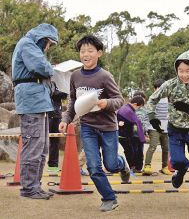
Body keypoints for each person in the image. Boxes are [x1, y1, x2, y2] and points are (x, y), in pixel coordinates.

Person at [59, 35, 130, 212]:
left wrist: (106, 103)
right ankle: (109, 198)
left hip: (107, 128)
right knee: (92, 166)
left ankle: (122, 165)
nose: (86, 54)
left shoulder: (105, 76)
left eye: (90, 50)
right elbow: (73, 103)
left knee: (111, 165)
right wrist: (65, 120)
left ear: (99, 53)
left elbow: (119, 100)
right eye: (83, 51)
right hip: (88, 127)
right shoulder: (75, 76)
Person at [146, 49, 189, 209]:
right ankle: (181, 171)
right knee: (177, 161)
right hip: (175, 129)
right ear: (176, 70)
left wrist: (188, 108)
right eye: (181, 71)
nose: (184, 75)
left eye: (188, 71)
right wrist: (152, 117)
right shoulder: (169, 85)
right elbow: (152, 99)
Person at [12, 23, 59, 200]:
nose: (48, 47)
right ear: (43, 39)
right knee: (33, 146)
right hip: (31, 101)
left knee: (42, 147)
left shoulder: (30, 45)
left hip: (38, 101)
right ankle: (29, 188)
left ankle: (35, 186)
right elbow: (42, 68)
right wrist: (50, 68)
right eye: (49, 43)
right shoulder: (28, 44)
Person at [143, 79, 172, 175]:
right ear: (155, 89)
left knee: (166, 148)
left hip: (166, 128)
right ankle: (147, 166)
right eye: (158, 88)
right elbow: (147, 114)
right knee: (153, 146)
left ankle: (164, 167)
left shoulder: (169, 99)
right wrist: (146, 127)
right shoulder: (152, 99)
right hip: (154, 128)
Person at [117, 96, 146, 172]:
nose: (138, 109)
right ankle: (132, 167)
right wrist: (142, 138)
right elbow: (137, 122)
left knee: (131, 151)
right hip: (125, 135)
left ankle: (133, 167)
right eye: (139, 107)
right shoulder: (128, 110)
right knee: (130, 151)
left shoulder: (125, 108)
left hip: (127, 134)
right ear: (136, 104)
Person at [47, 81, 68, 172]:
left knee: (55, 141)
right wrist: (61, 93)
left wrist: (63, 92)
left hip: (57, 116)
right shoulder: (45, 82)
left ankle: (53, 165)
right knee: (42, 141)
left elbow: (64, 96)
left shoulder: (57, 83)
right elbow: (51, 94)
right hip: (47, 115)